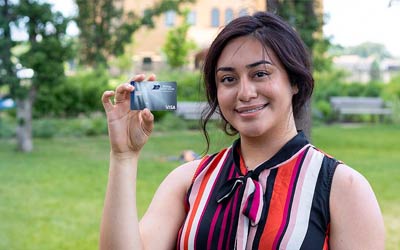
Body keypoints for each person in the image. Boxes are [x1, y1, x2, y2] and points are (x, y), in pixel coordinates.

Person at [99, 11, 385, 250]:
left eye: (260, 74)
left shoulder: (342, 187)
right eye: (228, 79)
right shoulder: (188, 180)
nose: (245, 92)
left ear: (294, 81)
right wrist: (123, 156)